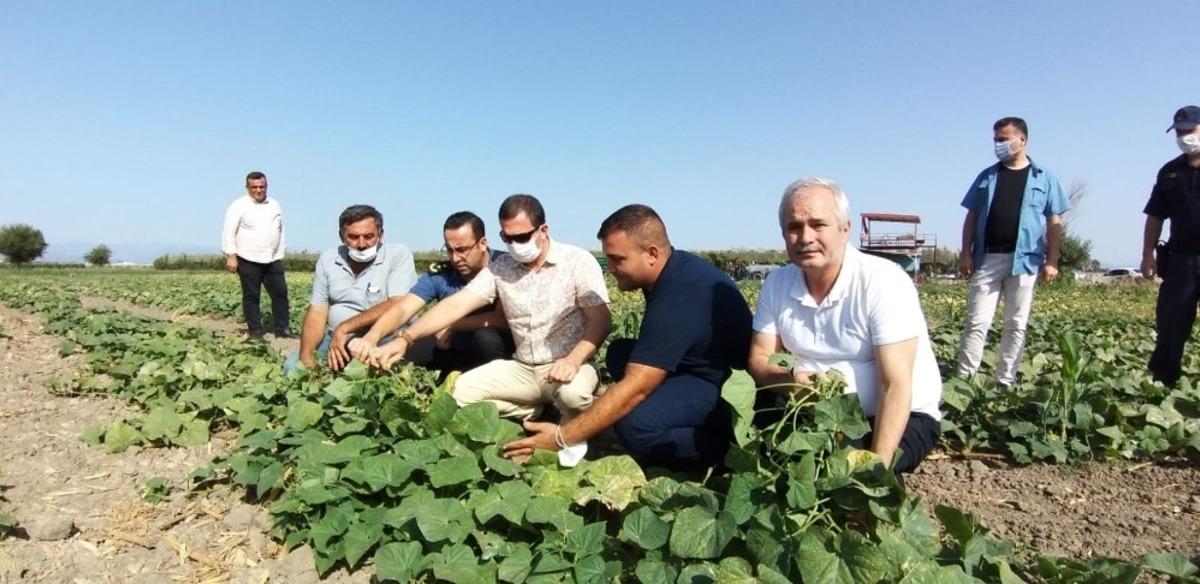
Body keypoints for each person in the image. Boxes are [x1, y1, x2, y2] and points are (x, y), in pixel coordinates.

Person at [502, 204, 752, 469]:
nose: (610, 268)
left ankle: (728, 454)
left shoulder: (683, 294)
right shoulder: (671, 269)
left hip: (723, 383)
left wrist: (561, 438)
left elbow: (638, 385)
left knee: (635, 426)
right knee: (620, 352)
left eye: (617, 259)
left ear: (651, 254)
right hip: (693, 363)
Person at [748, 178, 942, 473]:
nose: (805, 237)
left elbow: (895, 385)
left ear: (845, 229)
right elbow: (759, 358)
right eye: (794, 227)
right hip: (810, 412)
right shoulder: (776, 284)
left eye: (818, 224)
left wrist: (874, 470)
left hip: (899, 416)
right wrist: (790, 383)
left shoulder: (883, 281)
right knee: (766, 463)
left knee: (846, 477)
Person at [365, 194, 611, 422]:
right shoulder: (502, 267)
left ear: (543, 230)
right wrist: (405, 339)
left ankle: (575, 433)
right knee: (455, 394)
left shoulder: (577, 261)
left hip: (569, 363)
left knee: (573, 396)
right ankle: (529, 410)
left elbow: (601, 320)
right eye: (507, 238)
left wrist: (573, 360)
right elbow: (456, 304)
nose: (514, 244)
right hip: (523, 367)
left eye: (522, 237)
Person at [956, 117, 1070, 387]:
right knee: (976, 321)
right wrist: (965, 253)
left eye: (1004, 138)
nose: (999, 144)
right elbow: (971, 216)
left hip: (1025, 261)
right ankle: (965, 382)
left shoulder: (1045, 177)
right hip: (988, 258)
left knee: (1016, 324)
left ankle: (1004, 381)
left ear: (1023, 140)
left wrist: (1052, 259)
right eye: (996, 139)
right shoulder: (987, 176)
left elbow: (1054, 221)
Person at [346, 211, 513, 374]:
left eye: (462, 250)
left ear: (482, 243)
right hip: (449, 344)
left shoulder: (504, 266)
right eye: (449, 250)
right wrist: (372, 337)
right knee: (401, 356)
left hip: (495, 350)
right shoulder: (442, 273)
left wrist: (451, 324)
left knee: (486, 338)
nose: (455, 258)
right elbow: (404, 308)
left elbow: (501, 319)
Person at [285, 205, 416, 372]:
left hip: (381, 340)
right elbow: (317, 312)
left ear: (380, 234)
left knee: (369, 381)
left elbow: (396, 304)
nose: (361, 244)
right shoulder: (329, 259)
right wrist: (306, 358)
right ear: (342, 237)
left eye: (369, 236)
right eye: (353, 237)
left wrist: (345, 328)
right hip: (337, 340)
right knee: (292, 367)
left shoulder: (398, 255)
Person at [1142, 105, 1200, 387]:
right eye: (1179, 132)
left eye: (1189, 130)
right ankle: (1163, 382)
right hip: (1182, 260)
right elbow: (1155, 215)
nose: (1184, 136)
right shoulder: (1170, 172)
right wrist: (1147, 255)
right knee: (1171, 324)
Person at [222, 171, 291, 339]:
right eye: (254, 187)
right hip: (247, 258)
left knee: (280, 294)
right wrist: (231, 255)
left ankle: (282, 329)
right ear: (247, 188)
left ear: (266, 186)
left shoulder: (274, 204)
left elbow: (280, 230)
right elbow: (228, 231)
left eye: (262, 186)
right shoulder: (238, 205)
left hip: (272, 258)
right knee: (252, 296)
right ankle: (255, 331)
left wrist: (279, 252)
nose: (259, 190)